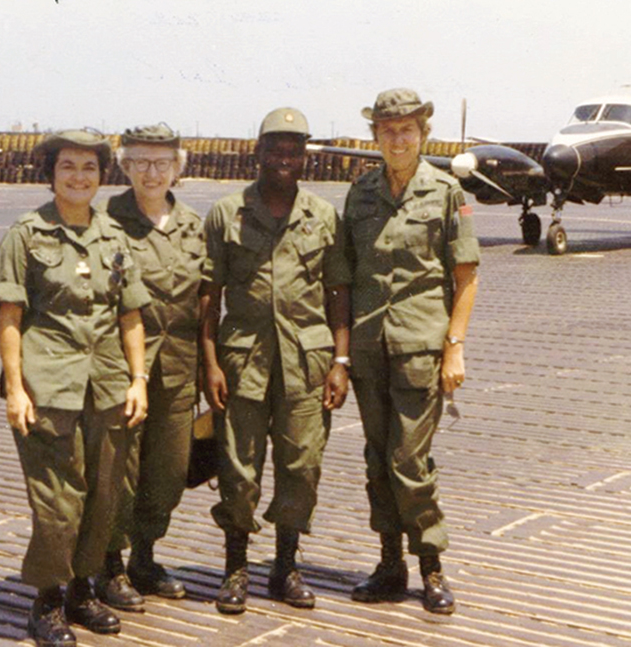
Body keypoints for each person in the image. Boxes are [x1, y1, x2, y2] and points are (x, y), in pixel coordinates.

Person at [0, 130, 150, 645]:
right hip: (47, 386)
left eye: (89, 167)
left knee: (104, 496)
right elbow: (10, 317)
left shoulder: (115, 238)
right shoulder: (27, 234)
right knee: (58, 503)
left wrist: (139, 379)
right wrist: (15, 389)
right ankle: (48, 600)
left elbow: (130, 316)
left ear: (103, 177)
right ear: (51, 173)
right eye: (68, 167)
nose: (79, 177)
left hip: (106, 385)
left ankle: (83, 590)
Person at [200, 107, 351, 614]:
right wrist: (210, 363)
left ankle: (285, 566)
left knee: (302, 466)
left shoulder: (324, 215)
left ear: (304, 155)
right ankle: (236, 567)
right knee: (239, 469)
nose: (285, 159)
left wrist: (341, 361)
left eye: (294, 150)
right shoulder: (227, 214)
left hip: (307, 363)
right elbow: (209, 295)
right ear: (257, 152)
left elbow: (338, 293)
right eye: (275, 149)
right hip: (242, 360)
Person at [343, 89, 480, 615]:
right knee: (378, 459)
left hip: (422, 346)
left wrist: (455, 348)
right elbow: (345, 274)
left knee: (409, 459)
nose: (398, 139)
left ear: (423, 134)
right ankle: (389, 563)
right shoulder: (360, 195)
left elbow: (465, 276)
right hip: (369, 346)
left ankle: (431, 564)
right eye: (388, 130)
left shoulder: (446, 192)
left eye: (408, 130)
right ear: (375, 136)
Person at [96, 123, 203, 612]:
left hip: (180, 366)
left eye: (162, 162)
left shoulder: (194, 226)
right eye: (139, 161)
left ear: (178, 168)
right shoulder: (103, 222)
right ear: (125, 167)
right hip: (122, 367)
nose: (151, 172)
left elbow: (208, 299)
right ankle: (110, 564)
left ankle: (145, 556)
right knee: (121, 469)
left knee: (168, 469)